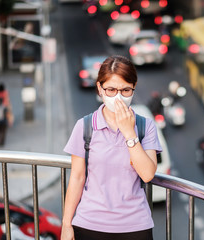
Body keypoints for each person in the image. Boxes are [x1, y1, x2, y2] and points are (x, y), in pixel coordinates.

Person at [61, 55, 162, 240]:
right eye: (111, 89)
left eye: (125, 90)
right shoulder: (84, 126)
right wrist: (67, 224)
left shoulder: (145, 126)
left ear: (134, 88)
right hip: (90, 223)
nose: (118, 97)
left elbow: (147, 174)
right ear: (100, 88)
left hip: (135, 226)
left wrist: (129, 133)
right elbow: (77, 177)